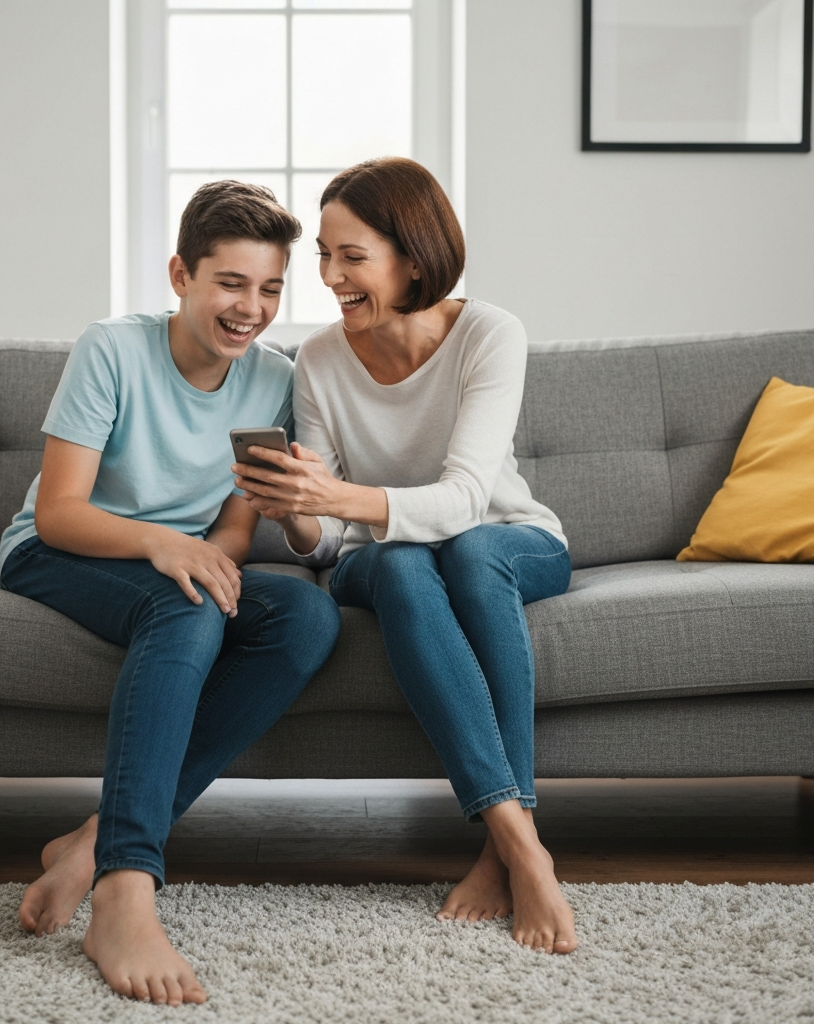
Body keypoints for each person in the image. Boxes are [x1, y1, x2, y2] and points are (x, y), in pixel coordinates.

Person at [0, 181, 342, 1003]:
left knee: (305, 614)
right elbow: (59, 513)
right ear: (180, 275)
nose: (250, 307)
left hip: (172, 561)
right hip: (64, 551)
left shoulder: (272, 381)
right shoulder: (111, 349)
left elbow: (232, 527)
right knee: (184, 602)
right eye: (231, 283)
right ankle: (125, 888)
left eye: (269, 289)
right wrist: (167, 545)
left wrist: (210, 558)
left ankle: (92, 842)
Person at [233, 158, 578, 955]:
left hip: (507, 538)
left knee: (468, 553)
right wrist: (292, 510)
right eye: (323, 254)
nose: (329, 276)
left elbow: (465, 500)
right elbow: (323, 548)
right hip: (377, 555)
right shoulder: (317, 361)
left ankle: (505, 846)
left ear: (413, 257)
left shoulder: (491, 334)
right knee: (397, 562)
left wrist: (337, 500)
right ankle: (521, 840)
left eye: (351, 256)